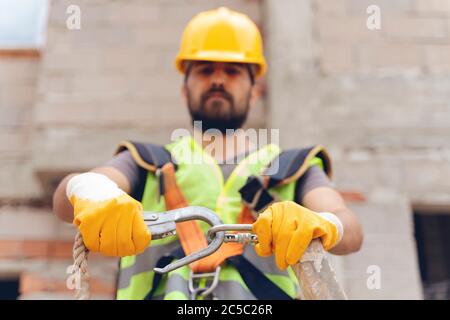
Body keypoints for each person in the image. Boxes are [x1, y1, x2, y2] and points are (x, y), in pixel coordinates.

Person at [53, 7, 363, 300]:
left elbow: (350, 229)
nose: (217, 79)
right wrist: (90, 191)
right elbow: (66, 199)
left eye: (232, 71)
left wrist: (325, 224)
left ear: (255, 90)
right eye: (204, 70)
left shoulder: (293, 166)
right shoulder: (145, 161)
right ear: (184, 89)